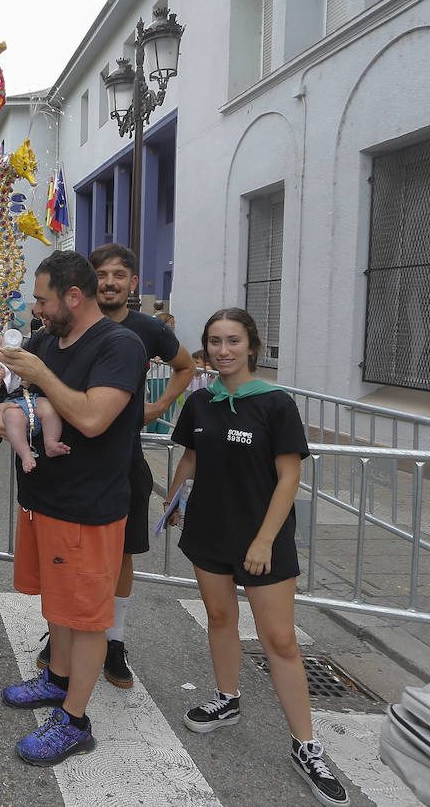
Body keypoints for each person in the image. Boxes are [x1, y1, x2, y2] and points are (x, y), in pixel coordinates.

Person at [166, 308, 348, 807]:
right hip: (208, 531)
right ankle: (228, 700)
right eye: (215, 342)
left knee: (281, 641)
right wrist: (174, 497)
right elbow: (191, 456)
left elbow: (289, 476)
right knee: (220, 617)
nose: (224, 351)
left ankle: (307, 746)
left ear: (252, 346)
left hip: (263, 539)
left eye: (233, 341)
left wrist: (265, 540)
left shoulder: (275, 404)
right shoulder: (200, 402)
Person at [0, 250, 145, 767]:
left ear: (73, 297)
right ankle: (57, 680)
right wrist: (3, 412)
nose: (36, 310)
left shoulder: (120, 345)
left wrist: (41, 378)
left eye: (43, 299)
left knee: (87, 615)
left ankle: (76, 721)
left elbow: (95, 419)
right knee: (58, 604)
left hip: (88, 505)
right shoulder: (44, 341)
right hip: (43, 498)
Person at [67, 243, 194, 688]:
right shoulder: (75, 324)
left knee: (121, 555)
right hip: (75, 459)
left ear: (133, 283)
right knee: (76, 551)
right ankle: (65, 631)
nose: (110, 282)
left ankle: (114, 641)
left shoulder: (146, 329)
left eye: (119, 275)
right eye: (102, 274)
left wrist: (158, 407)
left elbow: (186, 366)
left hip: (125, 460)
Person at [0, 330, 69, 473]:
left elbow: (30, 379)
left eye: (3, 346)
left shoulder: (15, 364)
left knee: (48, 406)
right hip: (9, 405)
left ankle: (51, 442)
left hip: (29, 399)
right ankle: (25, 454)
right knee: (13, 417)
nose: (2, 351)